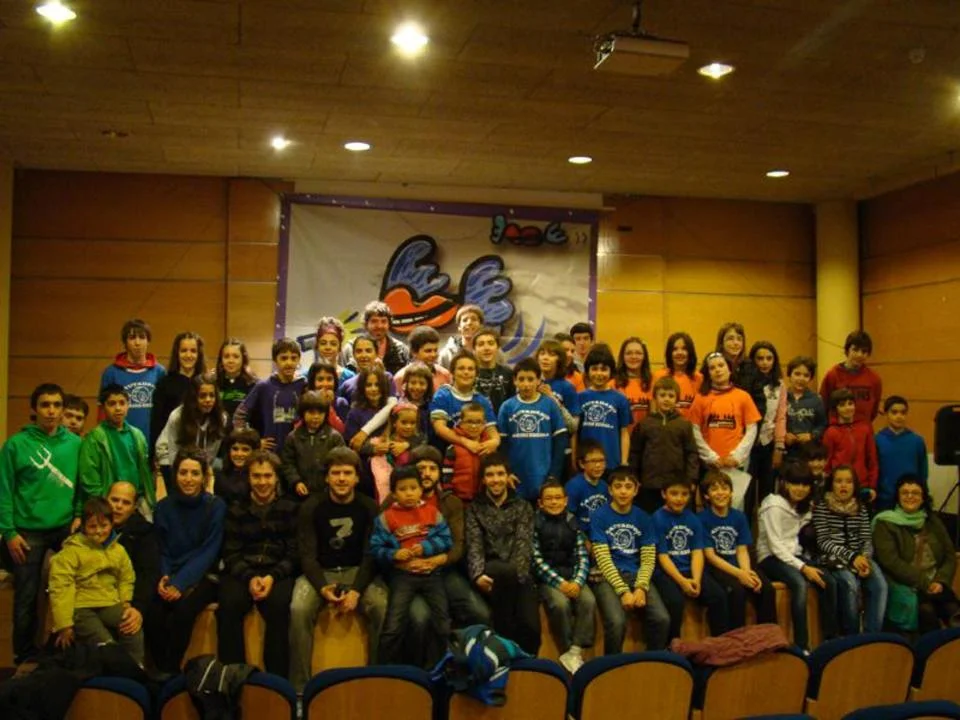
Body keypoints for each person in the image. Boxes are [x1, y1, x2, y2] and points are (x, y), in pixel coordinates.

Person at [289, 447, 388, 691]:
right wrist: (322, 587)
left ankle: (378, 679)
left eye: (347, 473)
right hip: (321, 572)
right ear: (327, 477)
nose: (341, 479)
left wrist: (356, 590)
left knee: (381, 606)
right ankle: (300, 688)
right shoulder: (311, 507)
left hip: (358, 571)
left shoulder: (369, 507)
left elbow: (371, 555)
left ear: (357, 478)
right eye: (335, 473)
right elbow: (307, 555)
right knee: (299, 608)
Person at [382, 446, 491, 666]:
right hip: (407, 572)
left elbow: (458, 545)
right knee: (420, 619)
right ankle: (418, 675)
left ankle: (474, 667)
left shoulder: (451, 502)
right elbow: (381, 544)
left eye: (432, 468)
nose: (426, 473)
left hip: (443, 569)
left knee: (480, 612)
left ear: (439, 473)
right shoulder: (391, 504)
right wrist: (404, 561)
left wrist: (436, 561)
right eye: (421, 468)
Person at [0, 383, 81, 664]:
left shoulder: (75, 444)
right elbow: (4, 491)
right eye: (45, 405)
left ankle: (69, 650)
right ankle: (24, 656)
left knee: (79, 583)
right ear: (34, 409)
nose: (51, 411)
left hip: (65, 527)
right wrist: (8, 532)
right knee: (26, 596)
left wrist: (79, 515)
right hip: (27, 532)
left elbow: (82, 487)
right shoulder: (15, 445)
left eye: (57, 405)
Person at [218, 450, 299, 677]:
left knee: (279, 607)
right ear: (248, 478)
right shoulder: (236, 509)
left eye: (267, 476)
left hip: (278, 572)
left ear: (276, 478)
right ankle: (233, 677)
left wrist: (272, 576)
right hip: (243, 572)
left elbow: (294, 553)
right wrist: (250, 577)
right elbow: (230, 553)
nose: (262, 482)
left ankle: (276, 680)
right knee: (229, 605)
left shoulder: (291, 508)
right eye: (256, 476)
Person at [148, 449, 226, 674]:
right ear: (175, 475)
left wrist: (180, 583)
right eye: (183, 473)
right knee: (153, 613)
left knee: (183, 612)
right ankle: (160, 672)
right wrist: (166, 577)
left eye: (195, 473)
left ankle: (171, 671)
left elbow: (209, 551)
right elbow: (162, 548)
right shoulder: (163, 507)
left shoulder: (215, 506)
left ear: (204, 477)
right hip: (171, 573)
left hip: (204, 575)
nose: (189, 479)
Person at [370, 465, 452, 665]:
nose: (409, 493)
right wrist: (394, 554)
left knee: (443, 624)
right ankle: (383, 670)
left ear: (421, 489)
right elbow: (376, 548)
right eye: (402, 489)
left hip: (431, 575)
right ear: (393, 493)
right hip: (402, 577)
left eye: (413, 488)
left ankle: (444, 667)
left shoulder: (433, 513)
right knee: (393, 625)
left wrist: (425, 548)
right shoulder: (385, 518)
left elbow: (446, 540)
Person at [49, 497, 144, 666]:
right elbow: (60, 588)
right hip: (81, 607)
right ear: (84, 527)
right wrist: (64, 625)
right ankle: (117, 671)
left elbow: (126, 578)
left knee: (131, 627)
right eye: (92, 526)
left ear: (112, 524)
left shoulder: (118, 550)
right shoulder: (71, 551)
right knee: (106, 644)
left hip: (109, 602)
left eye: (104, 526)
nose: (98, 531)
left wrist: (126, 603)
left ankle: (137, 668)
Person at [757, 462, 838, 651]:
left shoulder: (803, 507)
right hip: (770, 557)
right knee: (799, 583)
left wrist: (804, 563)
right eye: (795, 483)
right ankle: (802, 645)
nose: (800, 489)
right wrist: (803, 567)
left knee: (829, 581)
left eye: (805, 485)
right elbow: (775, 545)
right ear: (785, 484)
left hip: (793, 556)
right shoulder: (773, 505)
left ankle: (829, 640)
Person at [590, 466, 670, 653]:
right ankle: (611, 665)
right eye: (618, 486)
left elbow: (648, 558)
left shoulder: (644, 518)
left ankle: (652, 661)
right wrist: (623, 591)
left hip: (636, 574)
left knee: (662, 619)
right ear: (610, 490)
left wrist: (641, 587)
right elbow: (603, 559)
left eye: (628, 487)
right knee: (617, 622)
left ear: (636, 490)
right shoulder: (599, 516)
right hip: (606, 576)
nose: (623, 491)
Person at [465, 453, 540, 654]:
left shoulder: (523, 506)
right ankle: (505, 656)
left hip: (519, 573)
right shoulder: (474, 508)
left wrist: (518, 576)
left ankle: (528, 666)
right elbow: (474, 544)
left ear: (508, 477)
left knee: (531, 627)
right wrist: (477, 575)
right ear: (483, 480)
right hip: (489, 569)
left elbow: (524, 544)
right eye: (490, 475)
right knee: (502, 574)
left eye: (500, 474)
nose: (495, 479)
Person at [873, 475, 959, 634]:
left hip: (936, 583)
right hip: (907, 584)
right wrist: (925, 583)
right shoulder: (885, 523)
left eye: (915, 493)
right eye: (905, 492)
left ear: (923, 497)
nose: (910, 496)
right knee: (927, 613)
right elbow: (890, 561)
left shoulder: (932, 520)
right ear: (897, 496)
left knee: (954, 611)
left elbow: (949, 556)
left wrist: (941, 581)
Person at [652, 477, 730, 640]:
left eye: (684, 494)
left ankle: (720, 644)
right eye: (674, 494)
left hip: (690, 569)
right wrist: (682, 582)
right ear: (664, 494)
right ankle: (673, 646)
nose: (679, 499)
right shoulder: (656, 519)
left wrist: (696, 579)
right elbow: (663, 557)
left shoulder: (693, 518)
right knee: (675, 602)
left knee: (718, 596)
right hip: (666, 572)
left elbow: (697, 553)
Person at [813, 466, 887, 635]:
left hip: (860, 557)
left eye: (848, 481)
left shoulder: (861, 507)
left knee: (880, 585)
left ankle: (872, 635)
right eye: (839, 481)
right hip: (834, 558)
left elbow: (866, 539)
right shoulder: (822, 507)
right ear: (831, 484)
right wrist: (852, 557)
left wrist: (865, 559)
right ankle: (851, 636)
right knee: (849, 583)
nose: (843, 485)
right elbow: (823, 541)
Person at [698, 470, 777, 629]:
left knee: (766, 588)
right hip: (717, 567)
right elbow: (710, 556)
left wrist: (746, 572)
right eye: (714, 489)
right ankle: (737, 637)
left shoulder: (739, 517)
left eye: (724, 488)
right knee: (737, 591)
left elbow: (742, 550)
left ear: (731, 492)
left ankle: (768, 634)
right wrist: (740, 574)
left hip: (739, 563)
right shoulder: (701, 519)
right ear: (706, 495)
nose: (720, 493)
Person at [533, 480, 595, 674]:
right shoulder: (535, 523)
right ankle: (566, 648)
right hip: (548, 579)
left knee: (588, 601)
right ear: (540, 503)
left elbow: (582, 555)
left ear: (566, 500)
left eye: (558, 498)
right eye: (549, 499)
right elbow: (536, 560)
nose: (554, 502)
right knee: (560, 604)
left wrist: (577, 581)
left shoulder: (572, 521)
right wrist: (560, 583)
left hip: (572, 575)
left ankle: (575, 651)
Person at [689, 352, 761, 510]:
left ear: (729, 369)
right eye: (712, 368)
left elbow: (752, 429)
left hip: (736, 465)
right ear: (708, 373)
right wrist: (711, 456)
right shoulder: (700, 398)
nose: (717, 370)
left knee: (736, 509)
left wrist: (737, 456)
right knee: (710, 510)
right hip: (710, 466)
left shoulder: (743, 396)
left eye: (721, 365)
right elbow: (694, 430)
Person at [497, 357, 568, 501]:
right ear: (514, 381)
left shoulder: (550, 405)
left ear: (539, 380)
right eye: (521, 379)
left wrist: (554, 474)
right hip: (516, 477)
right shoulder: (507, 407)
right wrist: (507, 471)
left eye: (530, 379)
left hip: (544, 476)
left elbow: (560, 442)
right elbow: (502, 445)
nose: (526, 384)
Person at [77, 384, 153, 517]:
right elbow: (89, 478)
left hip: (136, 502)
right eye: (112, 404)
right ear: (103, 407)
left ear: (128, 405)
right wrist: (104, 503)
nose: (118, 408)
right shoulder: (95, 437)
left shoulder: (137, 435)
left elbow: (144, 473)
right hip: (109, 505)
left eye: (122, 403)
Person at [628, 375, 698, 514]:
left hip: (675, 484)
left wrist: (691, 479)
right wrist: (634, 477)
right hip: (649, 483)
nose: (666, 399)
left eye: (671, 396)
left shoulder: (684, 424)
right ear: (655, 397)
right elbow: (635, 452)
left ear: (677, 399)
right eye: (662, 395)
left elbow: (691, 453)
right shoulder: (644, 424)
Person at [234, 337, 306, 454]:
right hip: (270, 453)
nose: (289, 362)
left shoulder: (304, 386)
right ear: (275, 360)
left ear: (299, 360)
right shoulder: (263, 386)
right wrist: (253, 442)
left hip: (297, 452)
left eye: (293, 358)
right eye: (284, 358)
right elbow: (240, 415)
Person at [155, 372, 229, 486]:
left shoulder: (221, 418)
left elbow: (211, 453)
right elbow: (174, 452)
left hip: (198, 456)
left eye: (212, 395)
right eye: (202, 396)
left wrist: (203, 475)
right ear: (194, 398)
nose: (208, 400)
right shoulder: (177, 417)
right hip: (168, 454)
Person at [108, 481, 158, 645]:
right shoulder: (90, 526)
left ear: (134, 507)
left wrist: (138, 608)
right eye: (114, 500)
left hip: (129, 598)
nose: (118, 506)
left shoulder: (145, 532)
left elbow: (148, 574)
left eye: (126, 503)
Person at [99, 318, 165, 441]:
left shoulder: (160, 372)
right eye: (132, 338)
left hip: (154, 441)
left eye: (142, 337)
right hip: (120, 441)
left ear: (148, 341)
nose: (137, 343)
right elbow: (102, 413)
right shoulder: (111, 373)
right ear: (125, 342)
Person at [150, 331, 207, 459]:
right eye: (183, 350)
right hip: (170, 451)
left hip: (200, 451)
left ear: (199, 354)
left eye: (193, 351)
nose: (188, 355)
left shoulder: (206, 383)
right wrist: (155, 455)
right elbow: (157, 422)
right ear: (177, 353)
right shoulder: (164, 383)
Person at [430, 350, 499, 453]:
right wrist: (465, 442)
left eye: (470, 369)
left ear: (476, 374)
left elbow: (491, 430)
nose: (466, 372)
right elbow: (439, 428)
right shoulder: (443, 395)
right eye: (461, 368)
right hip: (445, 455)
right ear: (452, 372)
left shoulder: (482, 400)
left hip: (475, 455)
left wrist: (494, 441)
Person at [280, 390, 345, 498]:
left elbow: (342, 464)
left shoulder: (334, 437)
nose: (316, 417)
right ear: (302, 413)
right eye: (311, 413)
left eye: (320, 413)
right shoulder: (293, 437)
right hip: (301, 492)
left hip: (328, 492)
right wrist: (296, 481)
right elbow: (288, 464)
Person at [578, 344, 632, 466]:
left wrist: (624, 462)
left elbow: (624, 432)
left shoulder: (621, 399)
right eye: (594, 368)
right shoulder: (579, 397)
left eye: (604, 369)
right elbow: (575, 433)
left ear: (611, 371)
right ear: (587, 371)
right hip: (586, 463)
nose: (599, 373)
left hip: (612, 462)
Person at [748, 341, 787, 508]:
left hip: (769, 443)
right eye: (760, 358)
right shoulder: (746, 383)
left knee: (767, 495)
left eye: (769, 358)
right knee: (747, 493)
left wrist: (779, 446)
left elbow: (781, 417)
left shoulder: (779, 385)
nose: (765, 362)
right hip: (749, 445)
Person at [822, 389, 878, 503]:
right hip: (839, 486)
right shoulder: (831, 432)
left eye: (850, 403)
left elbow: (872, 460)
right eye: (842, 405)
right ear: (836, 409)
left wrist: (872, 486)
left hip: (862, 485)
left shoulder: (865, 429)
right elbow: (826, 463)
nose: (848, 408)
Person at [875, 396, 928, 511]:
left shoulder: (917, 441)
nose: (899, 416)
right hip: (884, 499)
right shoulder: (877, 440)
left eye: (903, 412)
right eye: (894, 412)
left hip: (910, 500)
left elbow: (923, 472)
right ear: (886, 414)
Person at [819, 330, 883, 424]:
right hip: (837, 428)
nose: (859, 355)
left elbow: (874, 410)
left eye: (864, 351)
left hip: (863, 429)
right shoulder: (833, 375)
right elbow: (823, 405)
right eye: (855, 350)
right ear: (847, 350)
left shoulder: (874, 379)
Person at [367, 402, 424, 504]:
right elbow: (362, 448)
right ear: (394, 423)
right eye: (404, 422)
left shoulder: (419, 441)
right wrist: (374, 449)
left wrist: (407, 445)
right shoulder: (383, 441)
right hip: (386, 490)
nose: (408, 426)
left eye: (412, 423)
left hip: (410, 490)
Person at [341, 301, 409, 375]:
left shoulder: (401, 350)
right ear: (366, 324)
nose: (379, 326)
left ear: (389, 324)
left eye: (383, 321)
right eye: (374, 321)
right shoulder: (350, 348)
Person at [784, 356, 827, 462]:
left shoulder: (816, 399)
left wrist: (812, 435)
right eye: (797, 374)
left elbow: (823, 424)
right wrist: (783, 435)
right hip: (785, 452)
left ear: (811, 378)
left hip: (808, 452)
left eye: (806, 375)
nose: (801, 379)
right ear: (789, 375)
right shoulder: (782, 397)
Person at [652, 332, 702, 417]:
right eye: (675, 349)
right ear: (669, 353)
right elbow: (653, 410)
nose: (679, 352)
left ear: (690, 352)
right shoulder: (658, 376)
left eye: (684, 349)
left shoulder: (699, 378)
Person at [537, 339, 580, 434]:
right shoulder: (531, 384)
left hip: (558, 439)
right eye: (542, 353)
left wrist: (553, 399)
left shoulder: (567, 387)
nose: (545, 358)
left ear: (560, 360)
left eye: (551, 355)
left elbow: (573, 426)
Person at [393, 325, 451, 396]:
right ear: (414, 352)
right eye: (428, 351)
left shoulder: (445, 375)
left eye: (435, 350)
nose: (433, 354)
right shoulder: (401, 377)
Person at [565, 439, 610, 531]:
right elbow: (568, 515)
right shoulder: (573, 486)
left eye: (601, 460)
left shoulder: (605, 486)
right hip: (581, 533)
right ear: (582, 464)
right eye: (593, 461)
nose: (598, 465)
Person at [216, 337, 258, 422]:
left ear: (243, 359)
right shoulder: (213, 382)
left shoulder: (254, 384)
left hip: (244, 429)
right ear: (221, 359)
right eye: (226, 356)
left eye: (236, 357)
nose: (231, 361)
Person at [614, 337, 653, 429]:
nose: (633, 357)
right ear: (622, 357)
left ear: (644, 357)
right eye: (629, 353)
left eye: (638, 353)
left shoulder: (653, 381)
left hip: (646, 435)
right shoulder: (612, 384)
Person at [473, 327, 515, 413]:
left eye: (491, 343)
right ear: (474, 349)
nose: (486, 348)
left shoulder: (508, 373)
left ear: (498, 347)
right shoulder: (468, 373)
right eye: (481, 344)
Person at [214, 428, 259, 504]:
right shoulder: (220, 475)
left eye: (245, 449)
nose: (239, 454)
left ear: (254, 451)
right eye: (235, 449)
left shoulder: (259, 475)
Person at [311, 316, 356, 384]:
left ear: (340, 347)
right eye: (323, 343)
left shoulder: (350, 377)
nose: (328, 347)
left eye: (333, 344)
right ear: (317, 346)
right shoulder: (307, 376)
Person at [438, 304, 484, 370]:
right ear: (459, 327)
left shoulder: (492, 351)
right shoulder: (446, 354)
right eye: (465, 320)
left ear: (481, 326)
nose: (469, 323)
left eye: (474, 319)